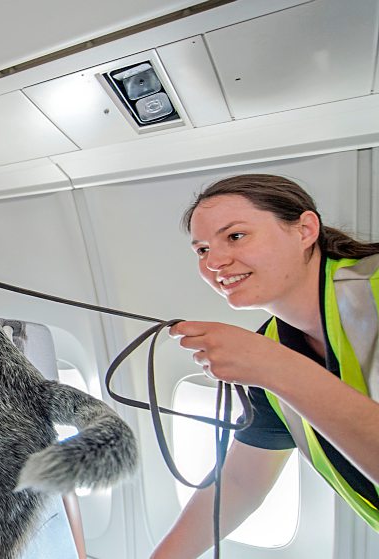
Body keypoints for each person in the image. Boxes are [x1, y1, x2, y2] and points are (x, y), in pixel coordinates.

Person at [152, 174, 379, 559]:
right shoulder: (270, 342)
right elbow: (241, 482)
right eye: (202, 249)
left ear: (305, 229)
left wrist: (275, 368)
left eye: (236, 236)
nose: (215, 262)